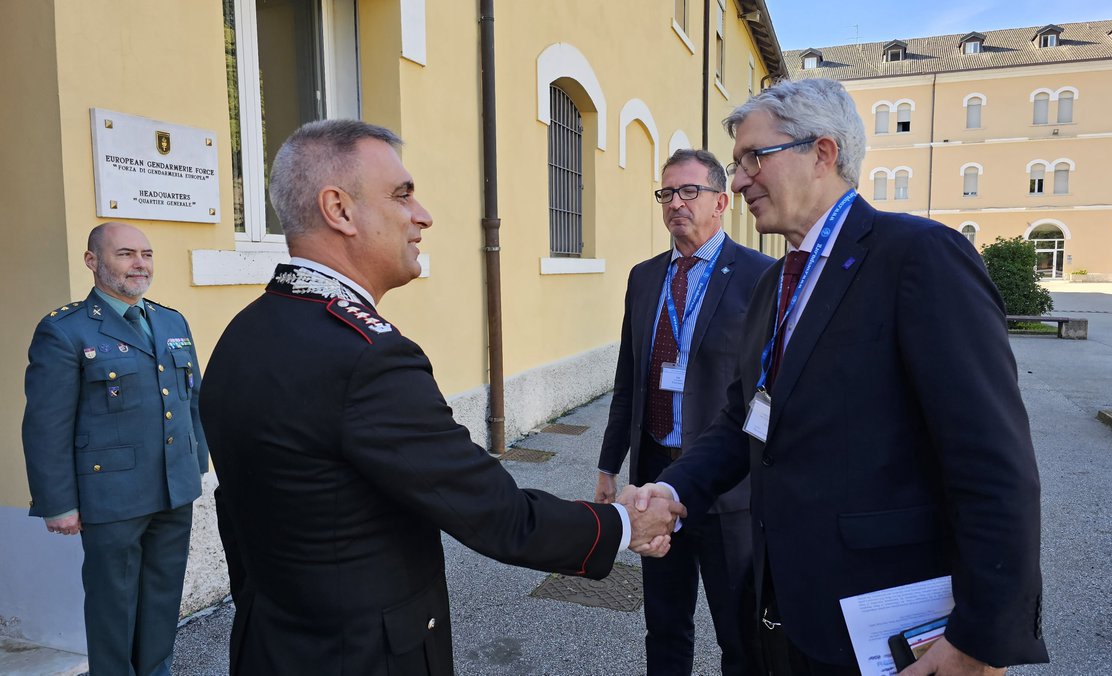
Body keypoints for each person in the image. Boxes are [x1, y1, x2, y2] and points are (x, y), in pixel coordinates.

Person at [199, 119, 683, 676]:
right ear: (339, 210)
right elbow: (495, 514)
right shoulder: (366, 357)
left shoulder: (243, 333)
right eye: (402, 195)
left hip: (270, 647)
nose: (423, 215)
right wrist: (623, 524)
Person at [634, 78, 1049, 674]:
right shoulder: (774, 283)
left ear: (822, 153)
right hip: (784, 604)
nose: (741, 180)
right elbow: (744, 417)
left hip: (884, 615)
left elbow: (992, 461)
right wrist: (673, 492)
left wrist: (983, 637)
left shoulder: (919, 256)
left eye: (754, 158)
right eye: (738, 163)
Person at [596, 148, 772, 675]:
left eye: (690, 191)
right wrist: (609, 465)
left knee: (740, 633)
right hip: (656, 478)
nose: (676, 203)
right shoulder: (644, 277)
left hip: (726, 488)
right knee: (665, 622)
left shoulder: (760, 276)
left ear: (720, 201)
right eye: (667, 193)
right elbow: (628, 377)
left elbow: (768, 389)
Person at [22, 221, 208, 676]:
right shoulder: (65, 331)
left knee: (163, 600)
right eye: (125, 254)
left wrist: (196, 463)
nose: (139, 263)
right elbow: (46, 425)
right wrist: (58, 503)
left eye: (146, 254)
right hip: (111, 496)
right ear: (92, 261)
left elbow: (193, 401)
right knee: (114, 607)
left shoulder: (171, 320)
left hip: (173, 489)